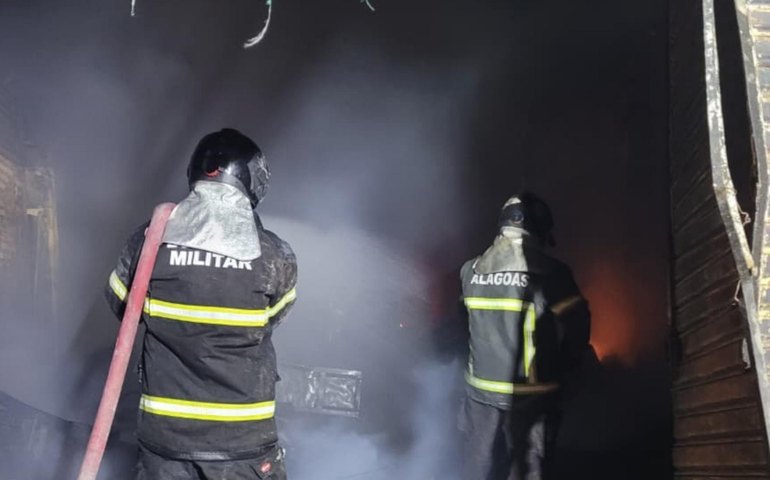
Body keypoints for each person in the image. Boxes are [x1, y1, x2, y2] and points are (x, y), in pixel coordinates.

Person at [105, 128, 297, 479]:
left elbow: (120, 304)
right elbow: (272, 318)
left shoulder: (149, 241)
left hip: (166, 445)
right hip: (243, 446)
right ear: (251, 181)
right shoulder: (274, 257)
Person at [459, 192, 590, 480]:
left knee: (478, 470)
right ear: (539, 230)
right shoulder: (552, 273)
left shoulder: (470, 271)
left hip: (480, 395)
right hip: (533, 397)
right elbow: (578, 324)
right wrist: (566, 363)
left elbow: (463, 325)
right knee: (529, 471)